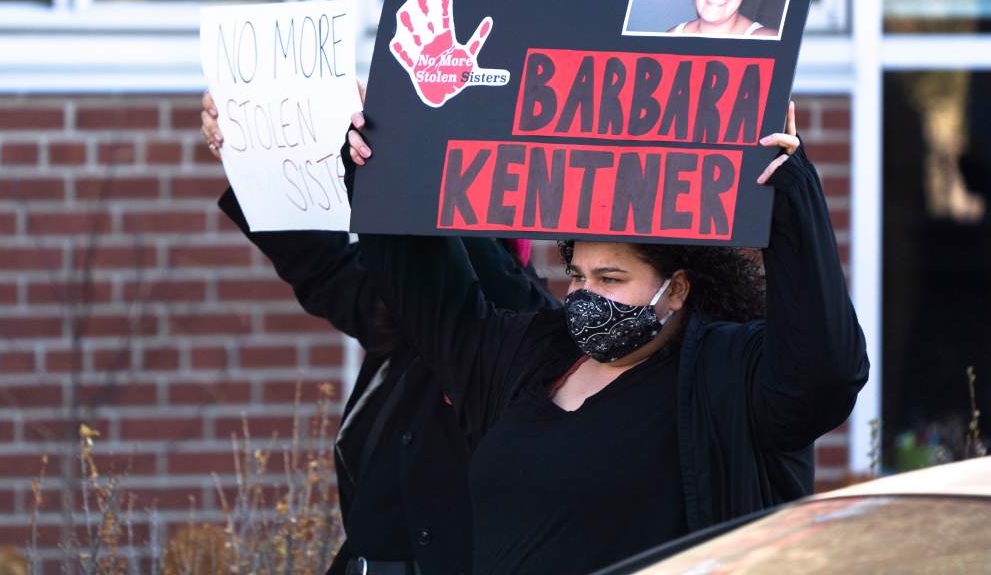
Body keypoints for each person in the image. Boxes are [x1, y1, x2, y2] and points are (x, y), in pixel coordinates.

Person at [345, 102, 869, 575]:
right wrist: (385, 165)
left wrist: (790, 195)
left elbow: (823, 373)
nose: (587, 295)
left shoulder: (729, 377)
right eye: (578, 276)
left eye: (611, 279)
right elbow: (435, 303)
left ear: (677, 289)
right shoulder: (530, 357)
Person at [201, 91, 558, 575]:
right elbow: (334, 275)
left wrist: (406, 156)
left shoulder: (536, 327)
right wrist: (257, 154)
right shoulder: (414, 301)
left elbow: (471, 280)